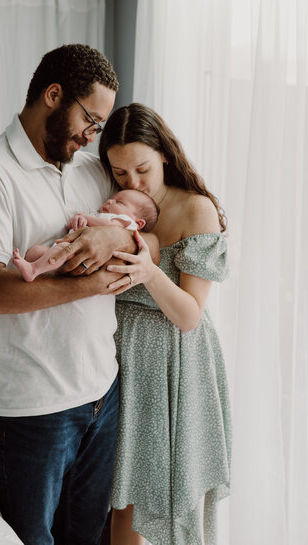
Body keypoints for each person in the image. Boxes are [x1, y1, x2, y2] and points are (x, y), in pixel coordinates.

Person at [0, 45, 159, 545]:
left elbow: (152, 232)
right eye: (91, 119)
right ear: (53, 95)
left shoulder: (89, 170)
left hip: (102, 393)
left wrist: (119, 238)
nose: (93, 134)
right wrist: (95, 281)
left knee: (87, 537)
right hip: (32, 411)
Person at [97, 103, 232, 545]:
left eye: (142, 169)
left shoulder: (197, 211)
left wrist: (148, 272)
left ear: (165, 156)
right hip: (121, 358)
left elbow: (190, 315)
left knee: (162, 499)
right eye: (120, 174)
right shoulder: (120, 206)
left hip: (176, 363)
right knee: (121, 501)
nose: (133, 183)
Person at [12, 188, 159, 281]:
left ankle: (34, 270)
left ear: (139, 223)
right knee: (34, 252)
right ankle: (41, 269)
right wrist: (79, 221)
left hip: (87, 256)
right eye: (112, 198)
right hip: (73, 249)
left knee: (58, 252)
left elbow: (110, 228)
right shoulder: (99, 216)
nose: (109, 201)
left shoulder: (125, 223)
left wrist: (86, 217)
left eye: (119, 202)